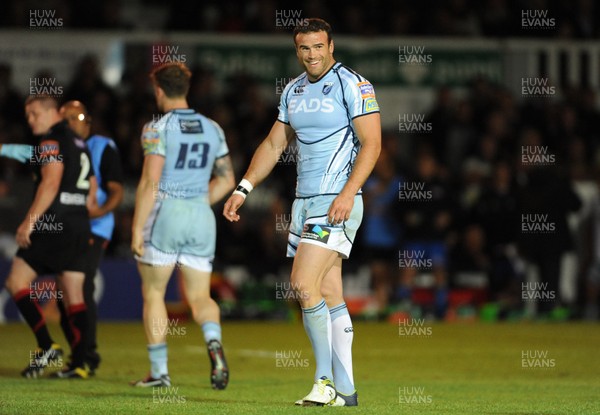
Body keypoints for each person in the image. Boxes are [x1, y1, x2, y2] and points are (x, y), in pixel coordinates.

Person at [223, 18, 381, 406]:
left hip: (336, 201)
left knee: (302, 283)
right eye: (303, 48)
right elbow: (274, 144)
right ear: (297, 50)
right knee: (328, 292)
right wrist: (244, 187)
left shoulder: (353, 84)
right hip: (304, 202)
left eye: (317, 47)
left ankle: (323, 381)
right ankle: (346, 392)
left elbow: (372, 144)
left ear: (331, 45)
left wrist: (348, 194)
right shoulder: (292, 90)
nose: (311, 55)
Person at [130, 62, 235, 389]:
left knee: (154, 291)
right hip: (201, 217)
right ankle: (213, 342)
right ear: (186, 89)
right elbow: (227, 179)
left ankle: (159, 372)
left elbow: (150, 180)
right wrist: (201, 201)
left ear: (158, 90)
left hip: (167, 215)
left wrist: (135, 228)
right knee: (200, 297)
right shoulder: (213, 128)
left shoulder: (156, 128)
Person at [2, 94, 96, 379]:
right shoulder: (79, 144)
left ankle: (46, 345)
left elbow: (51, 181)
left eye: (34, 114)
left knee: (16, 282)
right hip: (79, 223)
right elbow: (91, 189)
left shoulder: (50, 141)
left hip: (53, 223)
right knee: (74, 296)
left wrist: (29, 223)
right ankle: (80, 363)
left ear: (52, 112)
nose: (30, 120)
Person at [56, 100, 124, 374]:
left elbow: (116, 190)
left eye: (79, 117)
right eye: (67, 118)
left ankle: (87, 357)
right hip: (67, 228)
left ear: (89, 121)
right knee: (65, 293)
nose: (73, 122)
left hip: (95, 229)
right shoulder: (59, 149)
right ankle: (78, 356)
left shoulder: (101, 146)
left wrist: (98, 212)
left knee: (80, 289)